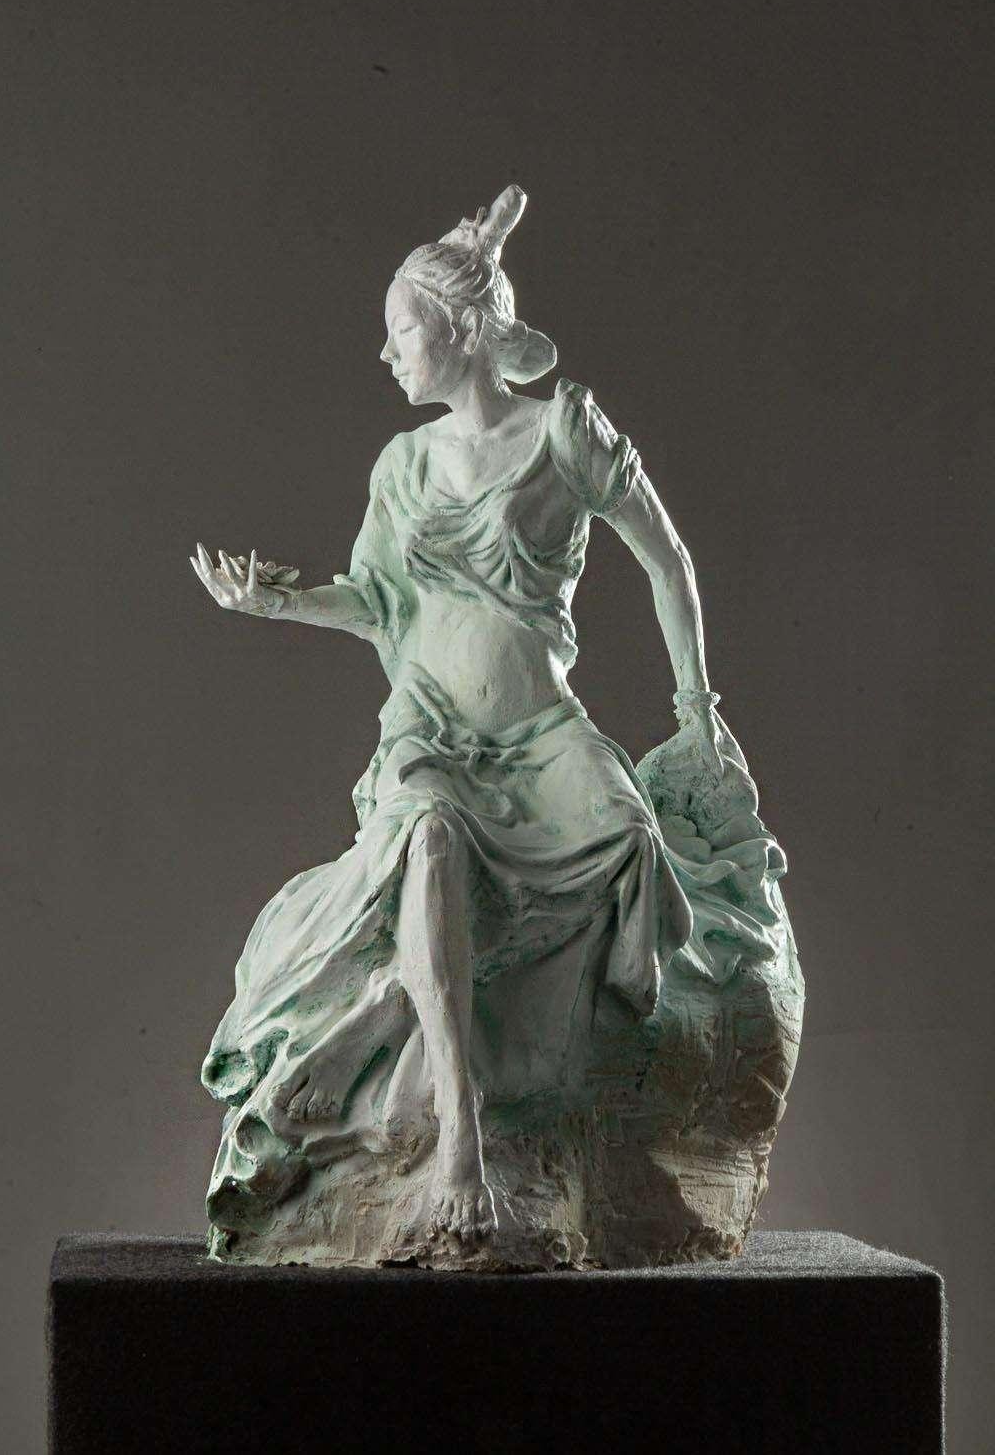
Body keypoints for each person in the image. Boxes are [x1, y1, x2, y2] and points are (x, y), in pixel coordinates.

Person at [191, 185, 727, 1249]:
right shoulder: (403, 465)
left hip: (539, 730)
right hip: (431, 728)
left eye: (401, 331)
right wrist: (277, 604)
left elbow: (667, 562)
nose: (386, 354)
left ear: (462, 330)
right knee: (431, 839)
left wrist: (697, 710)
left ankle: (520, 1075)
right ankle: (460, 1142)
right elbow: (376, 601)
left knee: (630, 840)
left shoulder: (564, 432)